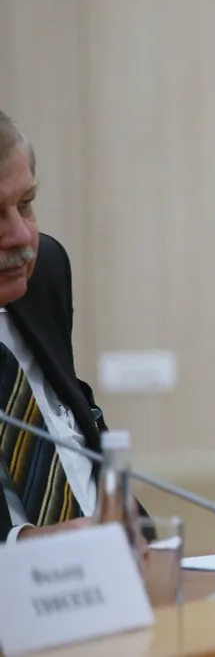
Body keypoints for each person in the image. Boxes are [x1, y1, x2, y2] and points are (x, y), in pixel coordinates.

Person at [0, 111, 125, 541]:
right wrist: (27, 546)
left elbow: (70, 421)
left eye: (26, 204)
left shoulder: (43, 275)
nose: (21, 236)